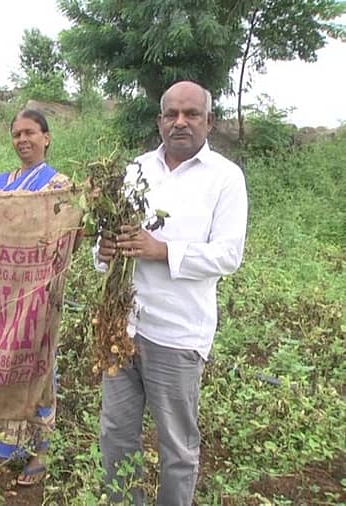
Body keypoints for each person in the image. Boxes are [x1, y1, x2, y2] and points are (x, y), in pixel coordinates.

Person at [95, 81, 248, 505]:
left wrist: (162, 251)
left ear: (209, 121)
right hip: (123, 330)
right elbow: (108, 241)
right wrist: (104, 250)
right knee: (115, 435)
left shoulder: (225, 178)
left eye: (191, 114)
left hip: (179, 336)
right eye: (171, 114)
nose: (180, 122)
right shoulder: (135, 170)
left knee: (177, 447)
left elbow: (228, 255)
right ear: (160, 121)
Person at [0, 110, 71, 486]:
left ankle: (40, 451)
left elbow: (70, 235)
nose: (23, 140)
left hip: (38, 295)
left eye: (30, 133)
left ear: (46, 138)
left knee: (37, 367)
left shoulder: (58, 184)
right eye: (16, 134)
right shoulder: (0, 182)